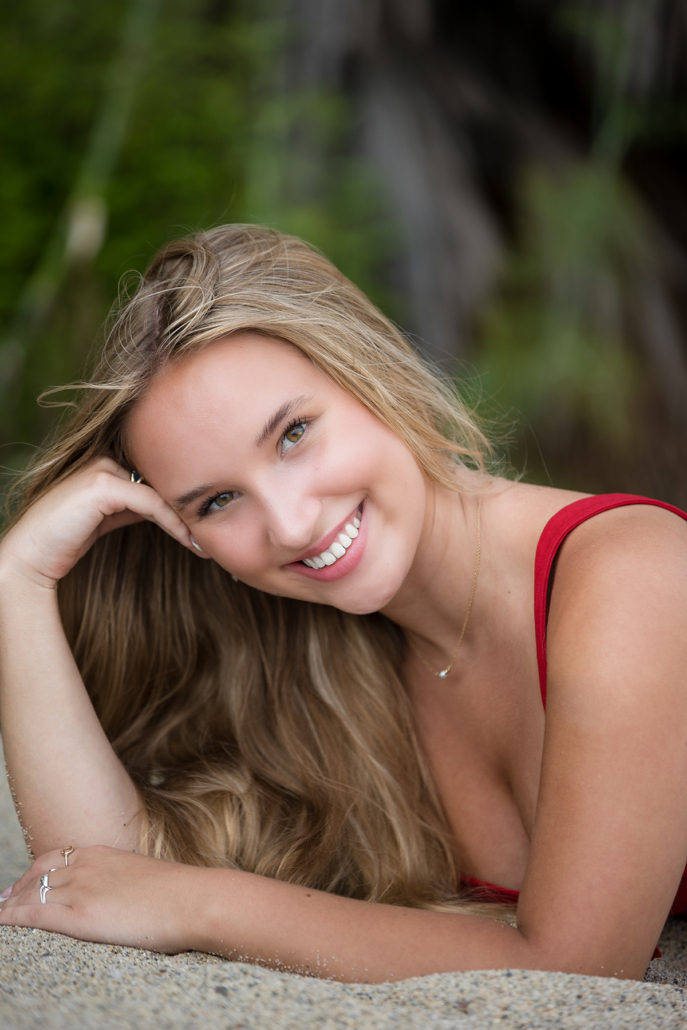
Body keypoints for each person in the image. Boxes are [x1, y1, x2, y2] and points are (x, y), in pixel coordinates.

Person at [1, 225, 687, 983]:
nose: (291, 522)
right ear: (185, 536)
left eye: (294, 434)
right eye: (219, 500)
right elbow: (92, 878)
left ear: (368, 371)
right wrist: (18, 582)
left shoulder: (636, 577)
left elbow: (577, 967)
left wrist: (205, 905)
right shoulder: (330, 669)